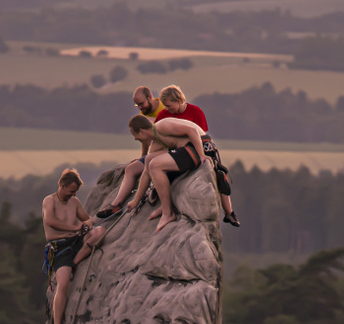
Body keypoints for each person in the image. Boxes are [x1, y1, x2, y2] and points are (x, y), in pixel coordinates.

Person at [158, 83, 239, 226]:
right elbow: (157, 136)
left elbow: (201, 134)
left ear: (178, 101)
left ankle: (229, 212)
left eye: (169, 105)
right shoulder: (163, 115)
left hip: (198, 146)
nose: (167, 109)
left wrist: (201, 153)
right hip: (175, 150)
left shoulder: (195, 112)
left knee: (219, 174)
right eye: (165, 106)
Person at [41, 168, 106, 324]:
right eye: (71, 190)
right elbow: (50, 221)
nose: (73, 194)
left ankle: (75, 262)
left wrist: (86, 224)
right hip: (59, 247)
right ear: (62, 185)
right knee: (63, 284)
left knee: (99, 231)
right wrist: (75, 227)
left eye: (75, 191)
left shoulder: (74, 202)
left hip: (76, 241)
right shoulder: (49, 201)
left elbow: (88, 219)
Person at [122, 110, 205, 233]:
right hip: (186, 149)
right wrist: (136, 200)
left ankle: (168, 213)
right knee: (149, 160)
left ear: (142, 131)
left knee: (155, 165)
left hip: (198, 147)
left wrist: (202, 155)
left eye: (135, 135)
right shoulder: (156, 140)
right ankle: (164, 205)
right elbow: (146, 172)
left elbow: (192, 131)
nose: (135, 139)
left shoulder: (162, 126)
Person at [96, 84, 167, 217]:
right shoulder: (143, 114)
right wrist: (142, 157)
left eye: (141, 104)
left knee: (149, 164)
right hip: (154, 150)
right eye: (137, 105)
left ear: (150, 97)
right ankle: (116, 205)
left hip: (166, 150)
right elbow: (145, 138)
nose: (140, 107)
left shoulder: (164, 110)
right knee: (131, 169)